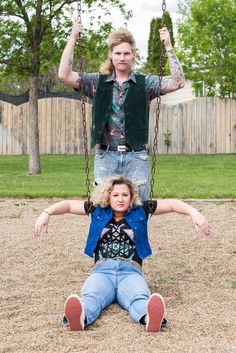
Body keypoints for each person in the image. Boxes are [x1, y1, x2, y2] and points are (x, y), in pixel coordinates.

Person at [34, 176, 211, 332]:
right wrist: (46, 212)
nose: (120, 199)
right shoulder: (96, 210)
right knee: (91, 296)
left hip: (131, 271)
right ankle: (80, 318)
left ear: (131, 197)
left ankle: (150, 319)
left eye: (125, 195)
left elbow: (172, 204)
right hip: (102, 271)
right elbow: (67, 205)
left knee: (139, 297)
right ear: (108, 197)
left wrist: (194, 213)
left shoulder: (142, 209)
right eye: (115, 195)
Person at [58, 21, 185, 201]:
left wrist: (168, 46)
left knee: (138, 209)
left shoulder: (145, 83)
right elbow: (64, 74)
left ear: (133, 54)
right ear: (111, 55)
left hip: (136, 156)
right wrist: (73, 37)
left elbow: (178, 83)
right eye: (118, 53)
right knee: (102, 208)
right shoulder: (97, 82)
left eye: (126, 53)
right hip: (106, 155)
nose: (122, 57)